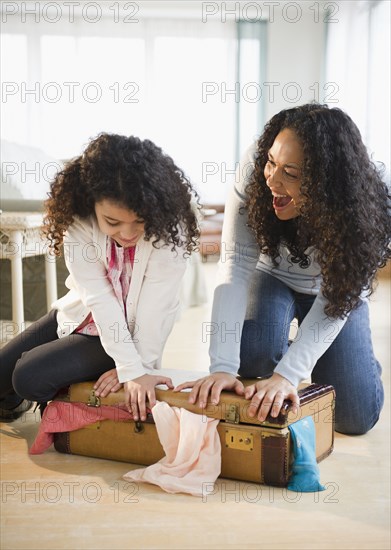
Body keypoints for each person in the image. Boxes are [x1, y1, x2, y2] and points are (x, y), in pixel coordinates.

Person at [176, 103, 391, 435]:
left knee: (353, 418)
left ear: (327, 183)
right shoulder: (254, 169)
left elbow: (341, 292)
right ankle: (297, 343)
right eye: (272, 163)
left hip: (334, 292)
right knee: (249, 359)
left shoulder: (372, 199)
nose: (272, 180)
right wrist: (221, 368)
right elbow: (235, 263)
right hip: (272, 275)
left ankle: (345, 354)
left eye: (291, 173)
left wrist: (289, 374)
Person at [0, 133, 199, 422]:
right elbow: (98, 297)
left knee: (28, 376)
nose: (128, 234)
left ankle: (57, 383)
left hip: (133, 334)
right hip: (83, 314)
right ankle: (26, 394)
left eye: (139, 222)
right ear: (91, 203)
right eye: (113, 222)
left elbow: (156, 308)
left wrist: (133, 369)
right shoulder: (78, 219)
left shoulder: (171, 228)